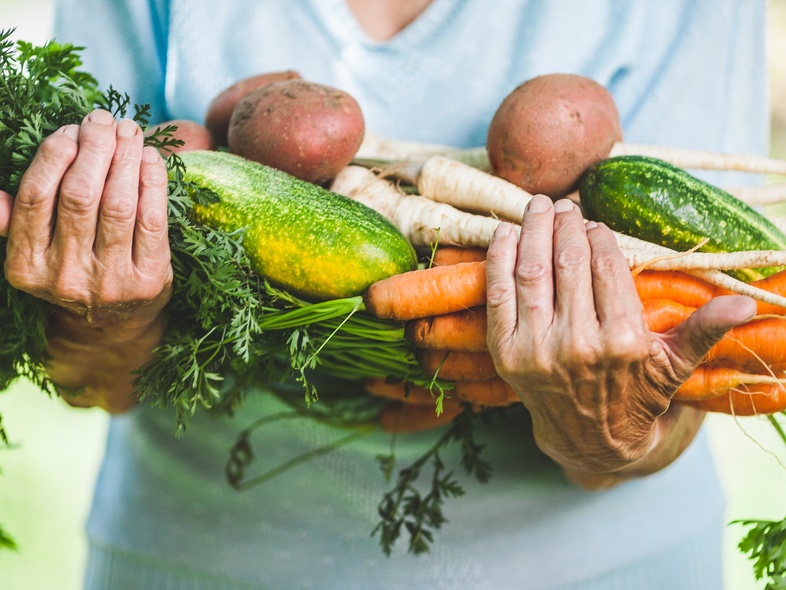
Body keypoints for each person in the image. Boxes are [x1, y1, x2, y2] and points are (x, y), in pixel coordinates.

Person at [0, 0, 768, 587]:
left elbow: (697, 348)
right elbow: (93, 378)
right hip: (201, 561)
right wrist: (104, 328)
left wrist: (610, 433)